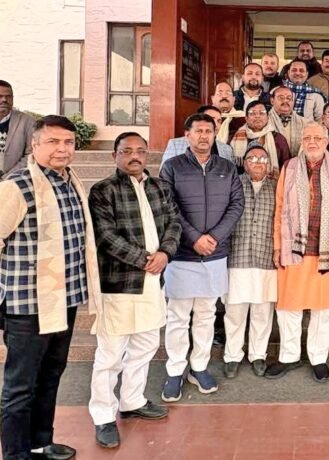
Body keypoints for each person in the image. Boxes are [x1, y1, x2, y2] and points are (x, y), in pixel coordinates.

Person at [0, 115, 102, 460]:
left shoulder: (70, 181)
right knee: (20, 386)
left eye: (68, 142)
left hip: (64, 299)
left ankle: (40, 443)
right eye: (53, 142)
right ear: (34, 144)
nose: (62, 149)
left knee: (50, 375)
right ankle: (16, 454)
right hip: (27, 305)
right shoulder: (17, 186)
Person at [87, 132, 181, 448]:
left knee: (145, 345)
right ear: (114, 155)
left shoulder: (160, 187)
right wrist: (145, 260)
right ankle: (103, 415)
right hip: (120, 284)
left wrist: (165, 253)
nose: (134, 156)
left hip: (153, 282)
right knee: (110, 355)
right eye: (127, 151)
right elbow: (105, 236)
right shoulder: (103, 191)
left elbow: (174, 224)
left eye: (140, 151)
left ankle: (132, 400)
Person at [158, 113, 244, 401]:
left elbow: (236, 204)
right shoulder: (172, 167)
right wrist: (194, 238)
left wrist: (215, 237)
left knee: (206, 314)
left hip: (215, 253)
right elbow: (168, 207)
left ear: (215, 134)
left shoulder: (226, 167)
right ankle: (174, 370)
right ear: (187, 135)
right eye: (199, 131)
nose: (204, 136)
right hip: (182, 253)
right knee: (178, 316)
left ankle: (199, 366)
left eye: (209, 131)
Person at [265, 122, 329, 383]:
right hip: (293, 248)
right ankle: (289, 356)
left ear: (326, 141)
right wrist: (277, 245)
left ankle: (318, 358)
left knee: (322, 309)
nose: (312, 142)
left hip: (327, 249)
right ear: (301, 142)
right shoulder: (289, 167)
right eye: (307, 138)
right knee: (288, 307)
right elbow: (280, 208)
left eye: (317, 138)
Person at [223, 144, 278, 379]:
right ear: (244, 163)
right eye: (252, 158)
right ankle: (232, 355)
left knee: (262, 311)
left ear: (269, 164)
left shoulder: (277, 187)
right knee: (235, 311)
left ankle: (258, 355)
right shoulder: (232, 185)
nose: (258, 162)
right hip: (237, 256)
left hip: (266, 257)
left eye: (263, 159)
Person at [230, 100, 292, 177]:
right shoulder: (235, 138)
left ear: (268, 117)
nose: (257, 116)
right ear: (246, 118)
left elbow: (287, 167)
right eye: (252, 113)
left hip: (272, 181)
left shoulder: (278, 139)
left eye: (262, 113)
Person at [162, 105, 234, 164]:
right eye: (210, 119)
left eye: (219, 121)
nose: (216, 124)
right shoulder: (175, 145)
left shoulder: (226, 149)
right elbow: (165, 173)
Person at [0, 80, 34, 178]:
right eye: (0, 96)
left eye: (8, 96)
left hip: (14, 180)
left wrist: (7, 177)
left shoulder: (27, 121)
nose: (4, 100)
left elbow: (31, 154)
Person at [268, 86, 307, 156]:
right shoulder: (264, 122)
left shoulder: (304, 123)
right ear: (272, 101)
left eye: (289, 98)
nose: (285, 101)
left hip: (297, 161)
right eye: (281, 98)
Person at [211, 81, 245, 145]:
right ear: (213, 99)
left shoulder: (243, 120)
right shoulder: (204, 119)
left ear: (234, 99)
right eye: (220, 93)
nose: (224, 96)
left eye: (228, 93)